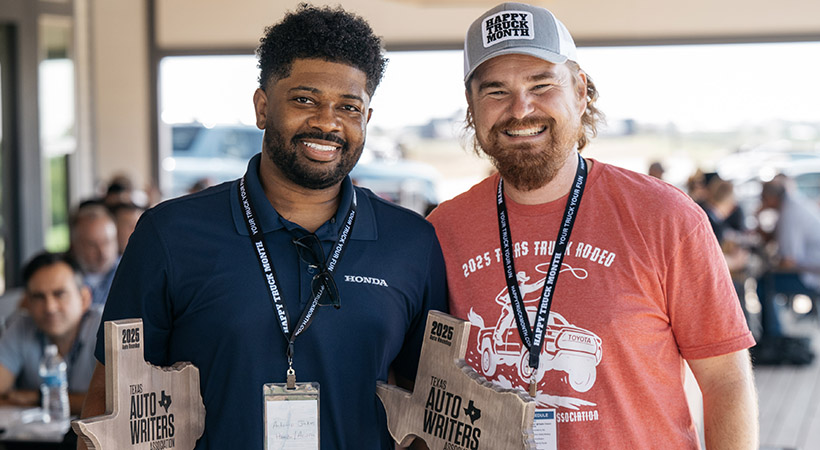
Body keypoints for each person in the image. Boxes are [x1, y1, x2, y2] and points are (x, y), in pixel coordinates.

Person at [80, 5, 447, 450]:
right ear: (262, 107)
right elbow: (108, 408)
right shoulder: (171, 234)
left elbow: (427, 410)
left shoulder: (411, 242)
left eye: (348, 107)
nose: (328, 122)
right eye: (304, 100)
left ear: (366, 118)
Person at [427, 3, 758, 448]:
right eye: (495, 92)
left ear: (580, 92)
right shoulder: (442, 230)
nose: (521, 109)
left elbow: (725, 381)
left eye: (542, 85)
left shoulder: (665, 217)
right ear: (472, 107)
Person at [0, 252, 101, 415]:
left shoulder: (105, 327)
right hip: (37, 438)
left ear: (84, 298)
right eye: (38, 297)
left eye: (59, 294)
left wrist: (37, 398)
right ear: (27, 303)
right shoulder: (21, 327)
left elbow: (113, 403)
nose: (49, 307)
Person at [753, 178, 818, 364]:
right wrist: (759, 216)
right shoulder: (792, 204)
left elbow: (789, 261)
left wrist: (771, 266)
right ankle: (772, 333)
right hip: (809, 269)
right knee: (765, 278)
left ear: (771, 198)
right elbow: (769, 239)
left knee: (764, 283)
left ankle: (774, 338)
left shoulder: (791, 214)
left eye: (762, 198)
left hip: (812, 276)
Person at [69, 202, 120, 306]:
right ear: (74, 245)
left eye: (107, 242)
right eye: (92, 245)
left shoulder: (130, 270)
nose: (102, 252)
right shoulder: (64, 277)